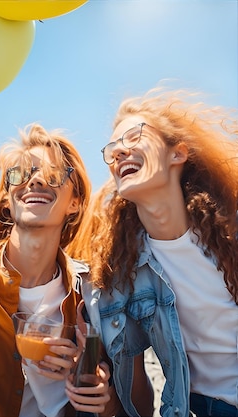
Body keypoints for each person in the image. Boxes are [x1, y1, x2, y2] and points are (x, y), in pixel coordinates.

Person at [73, 87, 238, 417]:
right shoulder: (117, 276)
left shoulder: (230, 232)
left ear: (177, 154)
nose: (119, 153)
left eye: (134, 136)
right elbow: (129, 391)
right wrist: (96, 368)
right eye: (112, 150)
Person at [0, 124, 118, 417]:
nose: (35, 181)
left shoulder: (94, 298)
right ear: (7, 199)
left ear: (75, 203)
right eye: (20, 174)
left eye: (53, 176)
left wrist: (99, 393)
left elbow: (125, 406)